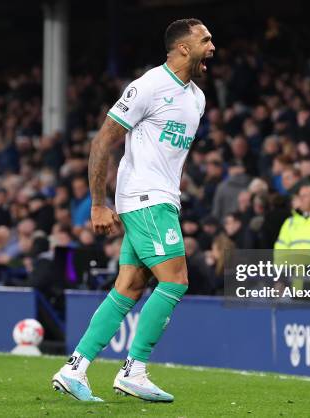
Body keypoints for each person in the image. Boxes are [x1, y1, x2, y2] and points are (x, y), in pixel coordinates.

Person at [51, 18, 214, 402]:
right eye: (205, 39)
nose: (212, 46)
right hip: (146, 198)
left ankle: (75, 368)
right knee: (175, 281)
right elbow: (102, 141)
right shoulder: (148, 86)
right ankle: (134, 371)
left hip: (160, 197)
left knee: (130, 287)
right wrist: (97, 203)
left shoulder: (197, 98)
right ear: (183, 48)